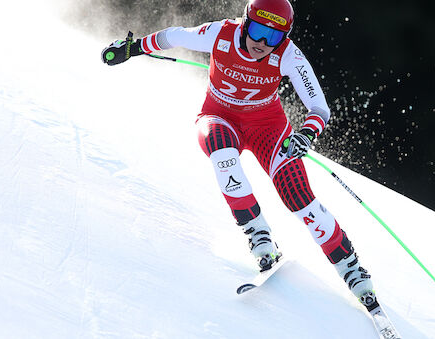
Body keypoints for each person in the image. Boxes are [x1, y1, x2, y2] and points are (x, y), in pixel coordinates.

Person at [101, 0, 380, 313]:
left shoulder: (288, 54)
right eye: (258, 31)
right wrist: (134, 47)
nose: (262, 43)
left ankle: (351, 268)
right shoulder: (221, 33)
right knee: (222, 154)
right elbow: (175, 36)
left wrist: (306, 134)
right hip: (219, 117)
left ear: (283, 38)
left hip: (269, 131)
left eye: (272, 37)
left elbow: (319, 107)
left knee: (299, 198)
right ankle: (259, 234)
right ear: (247, 23)